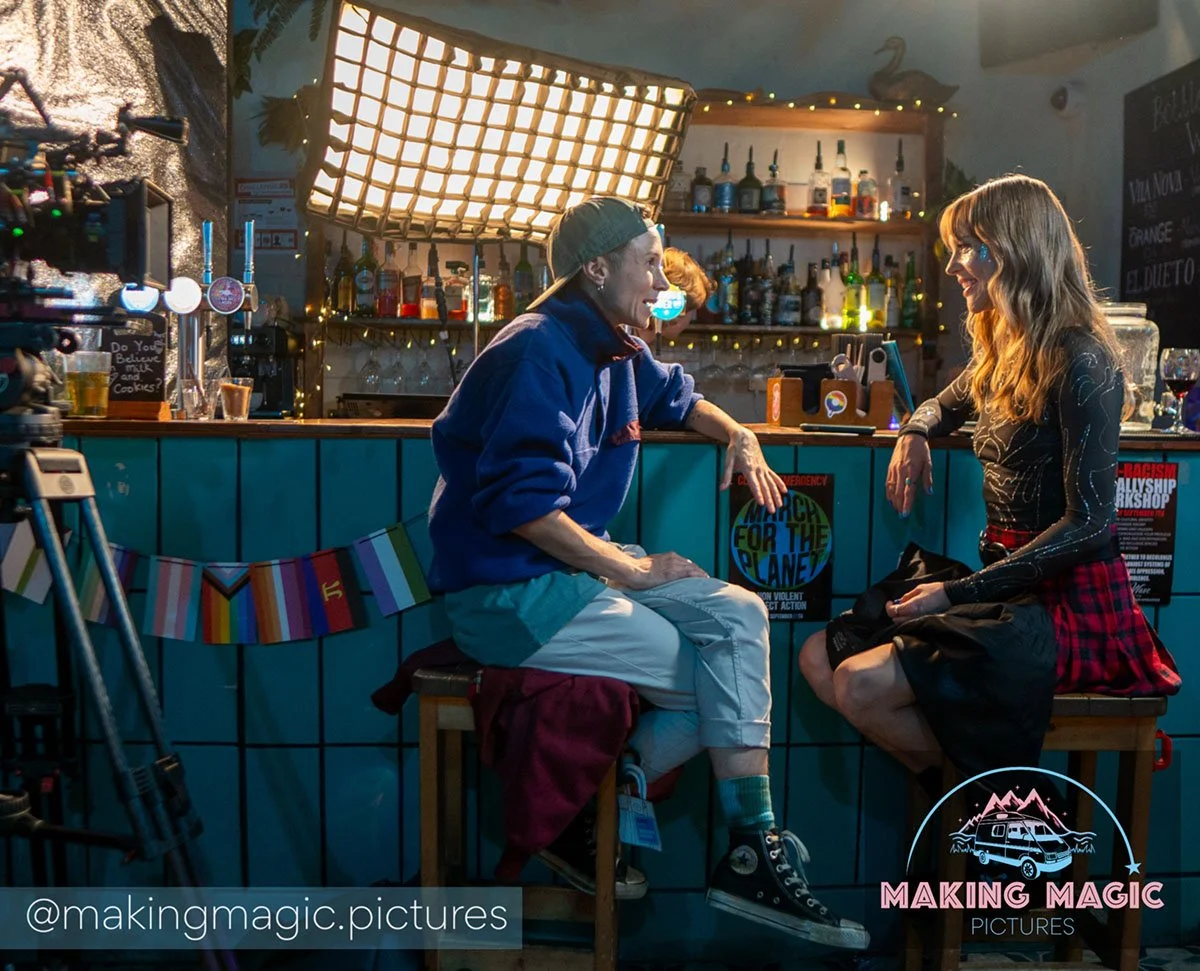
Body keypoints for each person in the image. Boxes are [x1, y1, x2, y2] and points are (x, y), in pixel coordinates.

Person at [427, 196, 868, 950]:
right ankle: (727, 846)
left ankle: (721, 839)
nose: (663, 278)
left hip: (569, 576)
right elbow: (521, 507)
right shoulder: (540, 348)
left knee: (740, 619)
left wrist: (742, 435)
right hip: (508, 592)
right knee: (720, 674)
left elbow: (682, 397)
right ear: (596, 268)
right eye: (651, 260)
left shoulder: (617, 345)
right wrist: (626, 572)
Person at [798, 174, 1181, 783]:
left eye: (967, 247)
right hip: (1003, 592)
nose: (953, 266)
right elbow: (940, 404)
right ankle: (979, 806)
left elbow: (1089, 524)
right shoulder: (1005, 346)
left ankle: (989, 817)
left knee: (858, 682)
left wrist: (955, 594)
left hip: (1066, 607)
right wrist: (915, 432)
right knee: (821, 657)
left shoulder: (1082, 357)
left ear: (1016, 251)